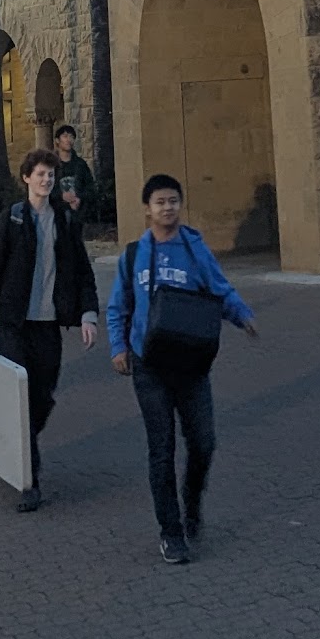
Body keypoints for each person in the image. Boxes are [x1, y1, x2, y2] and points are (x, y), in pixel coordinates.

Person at [106, 172, 256, 565]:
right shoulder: (135, 253)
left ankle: (192, 504)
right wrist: (119, 347)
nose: (167, 207)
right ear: (147, 209)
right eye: (160, 202)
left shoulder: (194, 248)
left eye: (173, 200)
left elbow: (219, 288)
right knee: (162, 449)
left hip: (190, 360)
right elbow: (118, 306)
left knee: (203, 442)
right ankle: (171, 532)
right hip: (149, 363)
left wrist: (241, 315)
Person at [0, 148, 100, 511]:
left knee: (43, 396)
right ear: (27, 178)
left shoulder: (64, 219)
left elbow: (82, 271)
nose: (46, 180)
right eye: (40, 174)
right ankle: (29, 481)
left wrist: (88, 314)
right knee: (21, 394)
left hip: (49, 324)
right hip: (13, 324)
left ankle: (21, 441)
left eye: (51, 175)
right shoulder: (12, 219)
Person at [51, 124, 100, 221]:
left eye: (71, 137)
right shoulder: (51, 165)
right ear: (57, 140)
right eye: (65, 136)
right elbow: (45, 189)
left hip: (78, 216)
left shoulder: (80, 164)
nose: (68, 139)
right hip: (56, 216)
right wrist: (61, 196)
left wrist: (79, 198)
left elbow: (90, 188)